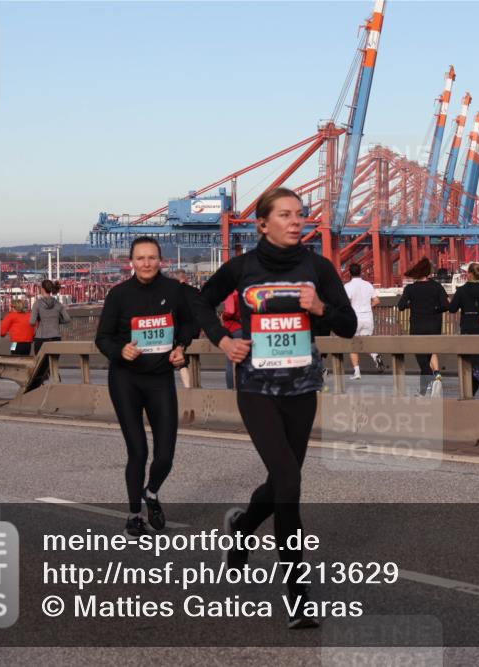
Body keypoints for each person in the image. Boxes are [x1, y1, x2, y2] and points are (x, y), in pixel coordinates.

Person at [191, 187, 356, 630]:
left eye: (300, 214)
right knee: (289, 481)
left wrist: (321, 307)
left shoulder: (318, 268)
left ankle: (243, 528)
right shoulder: (242, 267)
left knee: (282, 482)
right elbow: (199, 302)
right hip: (256, 388)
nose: (296, 221)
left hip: (302, 388)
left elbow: (348, 326)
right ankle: (299, 598)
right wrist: (224, 341)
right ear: (262, 224)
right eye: (285, 215)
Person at [95, 236, 196, 537]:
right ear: (131, 262)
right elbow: (102, 338)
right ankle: (134, 515)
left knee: (165, 456)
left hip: (160, 378)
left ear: (160, 260)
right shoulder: (118, 294)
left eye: (152, 257)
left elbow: (190, 324)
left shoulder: (175, 291)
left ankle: (150, 493)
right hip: (125, 379)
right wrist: (119, 350)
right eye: (140, 258)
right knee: (137, 451)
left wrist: (181, 346)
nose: (147, 263)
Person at [397, 257, 448, 396]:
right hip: (434, 327)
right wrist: (435, 309)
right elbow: (446, 305)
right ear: (428, 272)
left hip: (417, 327)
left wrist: (412, 305)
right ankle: (424, 391)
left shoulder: (410, 288)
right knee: (428, 357)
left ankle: (432, 384)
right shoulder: (437, 286)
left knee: (423, 362)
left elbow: (400, 306)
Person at [447, 262, 479, 397]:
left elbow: (452, 309)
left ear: (470, 274)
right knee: (478, 362)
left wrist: (448, 301)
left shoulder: (462, 290)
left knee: (473, 363)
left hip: (468, 327)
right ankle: (471, 394)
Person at [344, 263, 384, 379]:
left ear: (349, 273)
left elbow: (345, 303)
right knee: (365, 342)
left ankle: (357, 372)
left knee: (353, 345)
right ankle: (375, 355)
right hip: (367, 317)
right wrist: (367, 306)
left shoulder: (348, 286)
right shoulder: (368, 285)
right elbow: (377, 301)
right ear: (360, 272)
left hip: (354, 318)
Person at [30, 280, 71, 355]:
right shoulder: (58, 304)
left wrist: (39, 320)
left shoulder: (37, 304)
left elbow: (32, 322)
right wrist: (57, 320)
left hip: (41, 338)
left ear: (42, 289)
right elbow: (67, 319)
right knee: (53, 360)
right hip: (56, 337)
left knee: (41, 361)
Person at [175, 271, 201, 388]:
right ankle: (196, 383)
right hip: (195, 328)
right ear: (185, 278)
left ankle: (188, 387)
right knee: (195, 355)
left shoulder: (174, 292)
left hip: (181, 329)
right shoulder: (195, 291)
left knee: (182, 361)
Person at [221, 290, 242, 389]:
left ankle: (231, 389)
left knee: (230, 362)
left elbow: (230, 311)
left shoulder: (231, 293)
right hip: (242, 328)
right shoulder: (242, 292)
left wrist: (223, 316)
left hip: (232, 329)